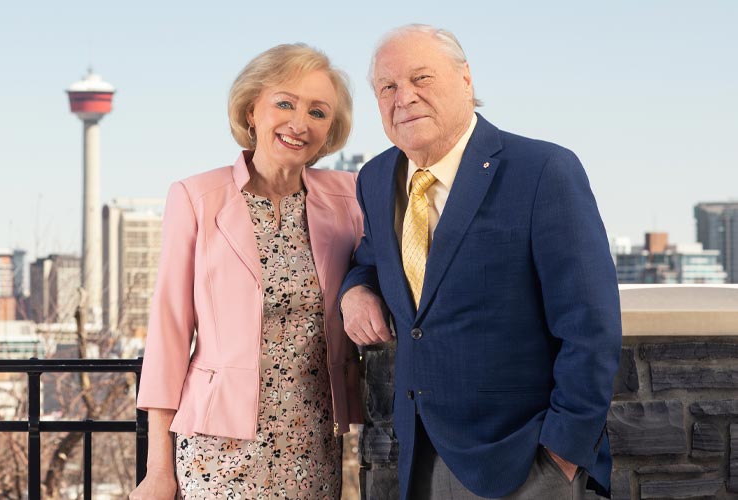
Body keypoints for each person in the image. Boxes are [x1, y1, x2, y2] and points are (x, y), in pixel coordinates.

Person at [339, 24, 622, 499]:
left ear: (466, 79)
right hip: (422, 454)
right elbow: (372, 257)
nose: (403, 97)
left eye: (421, 78)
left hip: (524, 459)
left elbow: (591, 325)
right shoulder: (375, 175)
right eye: (387, 86)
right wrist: (355, 290)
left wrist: (562, 455)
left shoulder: (542, 170)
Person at [130, 43, 364, 499]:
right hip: (218, 447)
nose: (300, 123)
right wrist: (158, 469)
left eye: (318, 112)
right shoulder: (196, 197)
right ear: (251, 110)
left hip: (313, 441)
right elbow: (169, 334)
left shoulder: (350, 197)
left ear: (331, 130)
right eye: (284, 103)